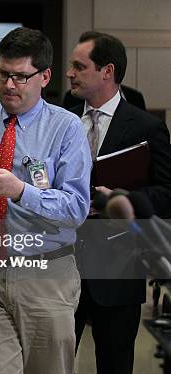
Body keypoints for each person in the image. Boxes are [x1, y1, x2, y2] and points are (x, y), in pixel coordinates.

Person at [0, 27, 91, 374]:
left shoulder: (67, 127)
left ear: (44, 76)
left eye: (20, 76)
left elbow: (76, 208)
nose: (9, 85)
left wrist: (21, 191)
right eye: (3, 74)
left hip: (46, 271)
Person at [66, 31, 171, 374]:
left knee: (114, 364)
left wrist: (124, 199)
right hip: (60, 264)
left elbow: (166, 193)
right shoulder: (60, 117)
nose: (70, 73)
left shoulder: (146, 126)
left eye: (79, 67)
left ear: (107, 71)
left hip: (118, 267)